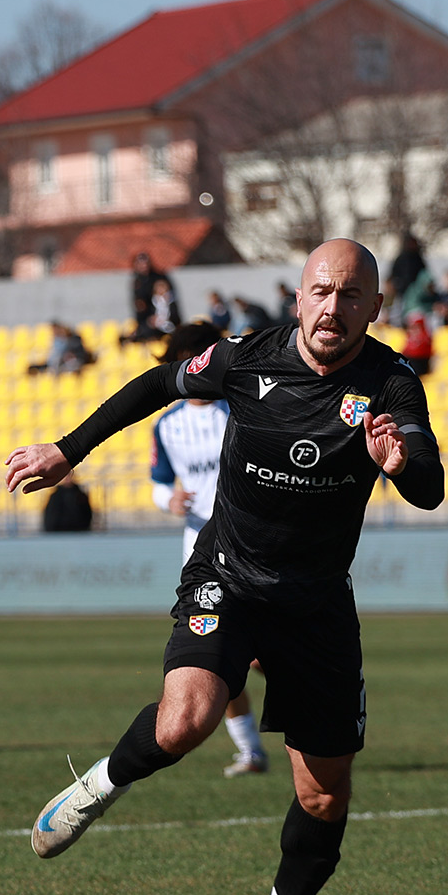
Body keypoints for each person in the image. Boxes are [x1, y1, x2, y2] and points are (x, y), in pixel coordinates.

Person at [4, 239, 443, 895]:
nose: (334, 306)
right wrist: (69, 448)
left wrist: (400, 465)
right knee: (186, 719)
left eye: (351, 295)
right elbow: (155, 386)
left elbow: (428, 483)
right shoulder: (243, 357)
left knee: (325, 793)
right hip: (228, 575)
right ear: (299, 297)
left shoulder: (392, 383)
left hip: (316, 603)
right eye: (322, 290)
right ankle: (99, 784)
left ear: (374, 307)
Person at [147, 323, 265, 778]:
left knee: (257, 657)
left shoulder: (238, 409)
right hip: (199, 557)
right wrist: (169, 501)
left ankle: (313, 692)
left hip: (252, 548)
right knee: (217, 655)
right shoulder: (168, 425)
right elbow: (159, 484)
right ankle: (250, 750)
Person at [29, 322, 96, 376]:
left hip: (73, 361)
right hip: (60, 362)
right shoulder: (58, 341)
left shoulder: (73, 340)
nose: (54, 333)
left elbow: (79, 354)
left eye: (55, 330)